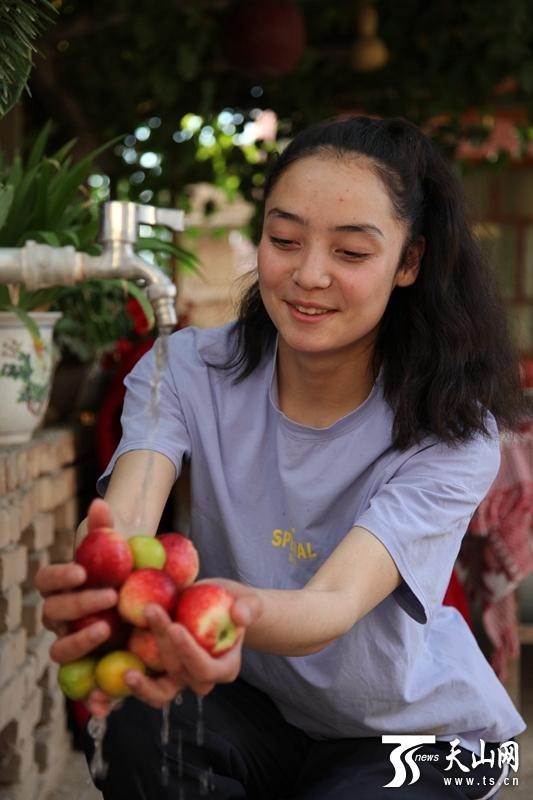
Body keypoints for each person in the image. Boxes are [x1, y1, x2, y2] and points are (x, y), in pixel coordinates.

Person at [36, 115, 527, 799]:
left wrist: (220, 609)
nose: (307, 275)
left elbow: (331, 603)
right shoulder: (185, 369)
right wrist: (105, 584)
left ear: (408, 262)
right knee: (137, 723)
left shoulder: (450, 430)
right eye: (283, 239)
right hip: (261, 707)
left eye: (351, 253)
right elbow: (128, 519)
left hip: (428, 737)